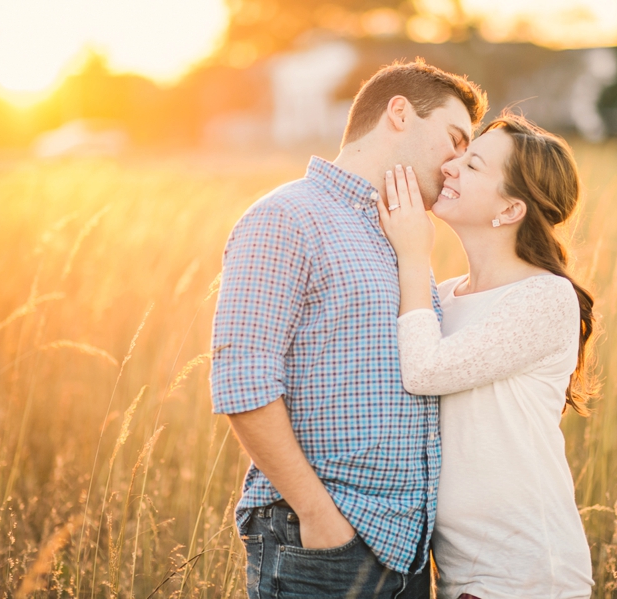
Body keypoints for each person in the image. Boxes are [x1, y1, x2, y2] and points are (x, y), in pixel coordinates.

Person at [210, 61, 488, 598]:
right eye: (454, 141)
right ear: (400, 113)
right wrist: (321, 519)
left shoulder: (403, 234)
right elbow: (242, 382)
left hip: (408, 549)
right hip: (324, 544)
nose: (458, 166)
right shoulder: (287, 217)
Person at [376, 114, 597, 599]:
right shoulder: (445, 296)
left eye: (473, 164)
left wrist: (413, 255)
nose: (452, 165)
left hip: (525, 573)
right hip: (461, 572)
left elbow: (424, 371)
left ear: (510, 208)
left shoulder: (543, 298)